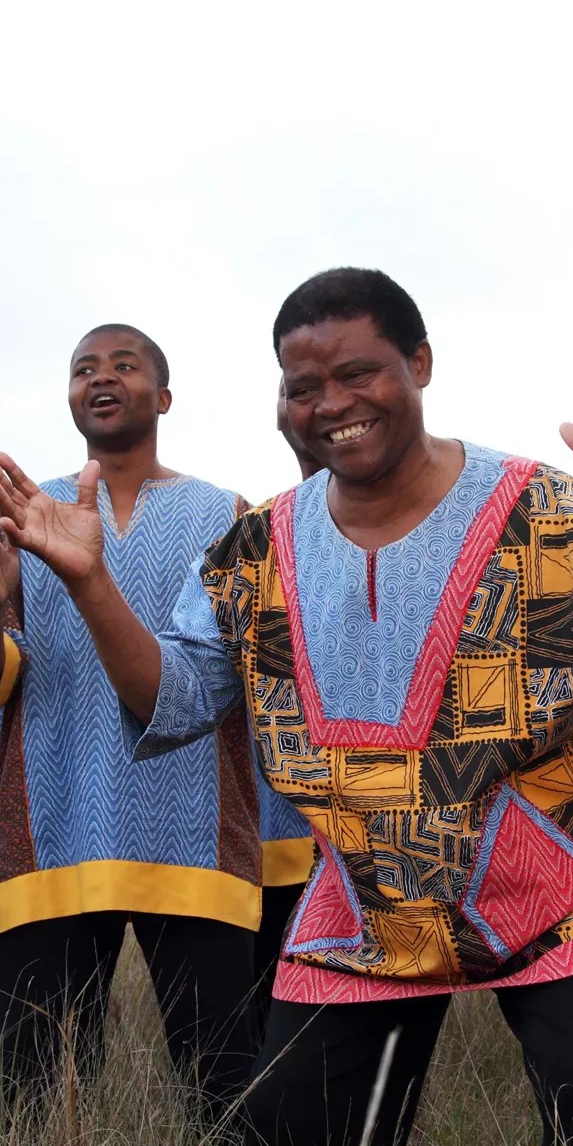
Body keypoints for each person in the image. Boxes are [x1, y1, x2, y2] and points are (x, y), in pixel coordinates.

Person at [0, 269, 573, 1146]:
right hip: (365, 893)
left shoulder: (548, 505)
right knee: (284, 1133)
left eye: (358, 373)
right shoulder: (255, 549)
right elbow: (175, 701)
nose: (331, 404)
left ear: (420, 364)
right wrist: (91, 583)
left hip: (553, 877)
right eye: (303, 386)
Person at [0, 324, 262, 1126]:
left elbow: (253, 682)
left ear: (164, 396)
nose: (101, 378)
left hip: (197, 838)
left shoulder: (228, 515)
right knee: (40, 1105)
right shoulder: (17, 512)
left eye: (124, 365)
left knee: (227, 1094)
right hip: (52, 836)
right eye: (84, 368)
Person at [250, 386, 321, 1022]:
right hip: (275, 830)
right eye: (297, 387)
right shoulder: (256, 535)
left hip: (388, 831)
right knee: (263, 1015)